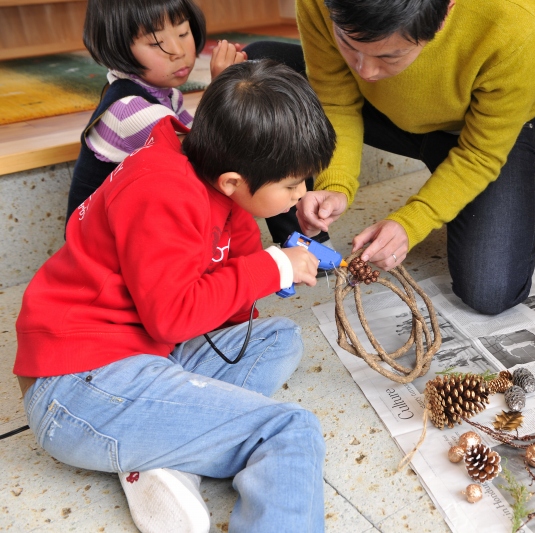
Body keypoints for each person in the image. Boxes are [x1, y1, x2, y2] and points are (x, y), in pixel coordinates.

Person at [15, 60, 336, 533]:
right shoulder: (161, 190)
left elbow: (226, 314)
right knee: (289, 429)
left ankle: (166, 456)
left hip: (138, 356)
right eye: (291, 185)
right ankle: (167, 444)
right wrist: (268, 268)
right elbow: (173, 317)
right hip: (75, 385)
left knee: (279, 337)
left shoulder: (225, 194)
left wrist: (266, 273)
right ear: (232, 181)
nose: (300, 194)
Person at [245, 0, 535, 315]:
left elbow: (481, 153)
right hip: (385, 111)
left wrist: (410, 223)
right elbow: (336, 100)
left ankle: (459, 194)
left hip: (477, 134)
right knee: (255, 74)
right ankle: (305, 241)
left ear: (445, 12)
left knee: (492, 292)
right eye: (349, 45)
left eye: (389, 55)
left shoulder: (512, 20)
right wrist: (335, 182)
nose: (365, 70)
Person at [65, 0, 247, 224]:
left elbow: (201, 135)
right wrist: (222, 88)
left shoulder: (167, 95)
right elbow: (205, 157)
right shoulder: (129, 110)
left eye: (183, 33)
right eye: (156, 42)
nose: (178, 52)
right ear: (117, 47)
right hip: (101, 248)